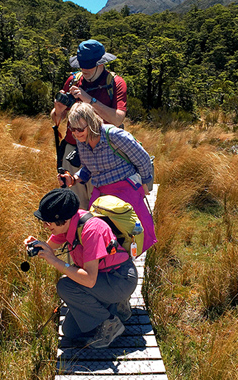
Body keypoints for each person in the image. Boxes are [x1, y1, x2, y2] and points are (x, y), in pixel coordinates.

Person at [24, 188, 138, 348]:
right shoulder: (69, 223)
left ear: (62, 219)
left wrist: (56, 262)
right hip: (104, 278)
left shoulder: (91, 230)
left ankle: (111, 324)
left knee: (66, 286)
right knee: (70, 331)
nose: (45, 225)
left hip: (120, 279)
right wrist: (37, 245)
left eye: (48, 222)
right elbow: (50, 248)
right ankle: (115, 306)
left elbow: (89, 280)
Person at [58, 101, 157, 253]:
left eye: (80, 129)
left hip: (125, 192)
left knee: (130, 235)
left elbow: (142, 159)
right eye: (73, 129)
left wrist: (145, 182)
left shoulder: (115, 136)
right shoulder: (82, 141)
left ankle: (128, 269)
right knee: (104, 239)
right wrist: (73, 179)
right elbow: (88, 169)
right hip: (101, 196)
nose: (76, 134)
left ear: (91, 123)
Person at [51, 39, 128, 209]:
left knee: (101, 206)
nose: (84, 69)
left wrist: (89, 99)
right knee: (74, 206)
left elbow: (117, 119)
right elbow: (57, 120)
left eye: (89, 66)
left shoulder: (115, 83)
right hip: (73, 152)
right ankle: (77, 235)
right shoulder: (73, 80)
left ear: (100, 63)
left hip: (102, 153)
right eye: (81, 65)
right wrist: (58, 110)